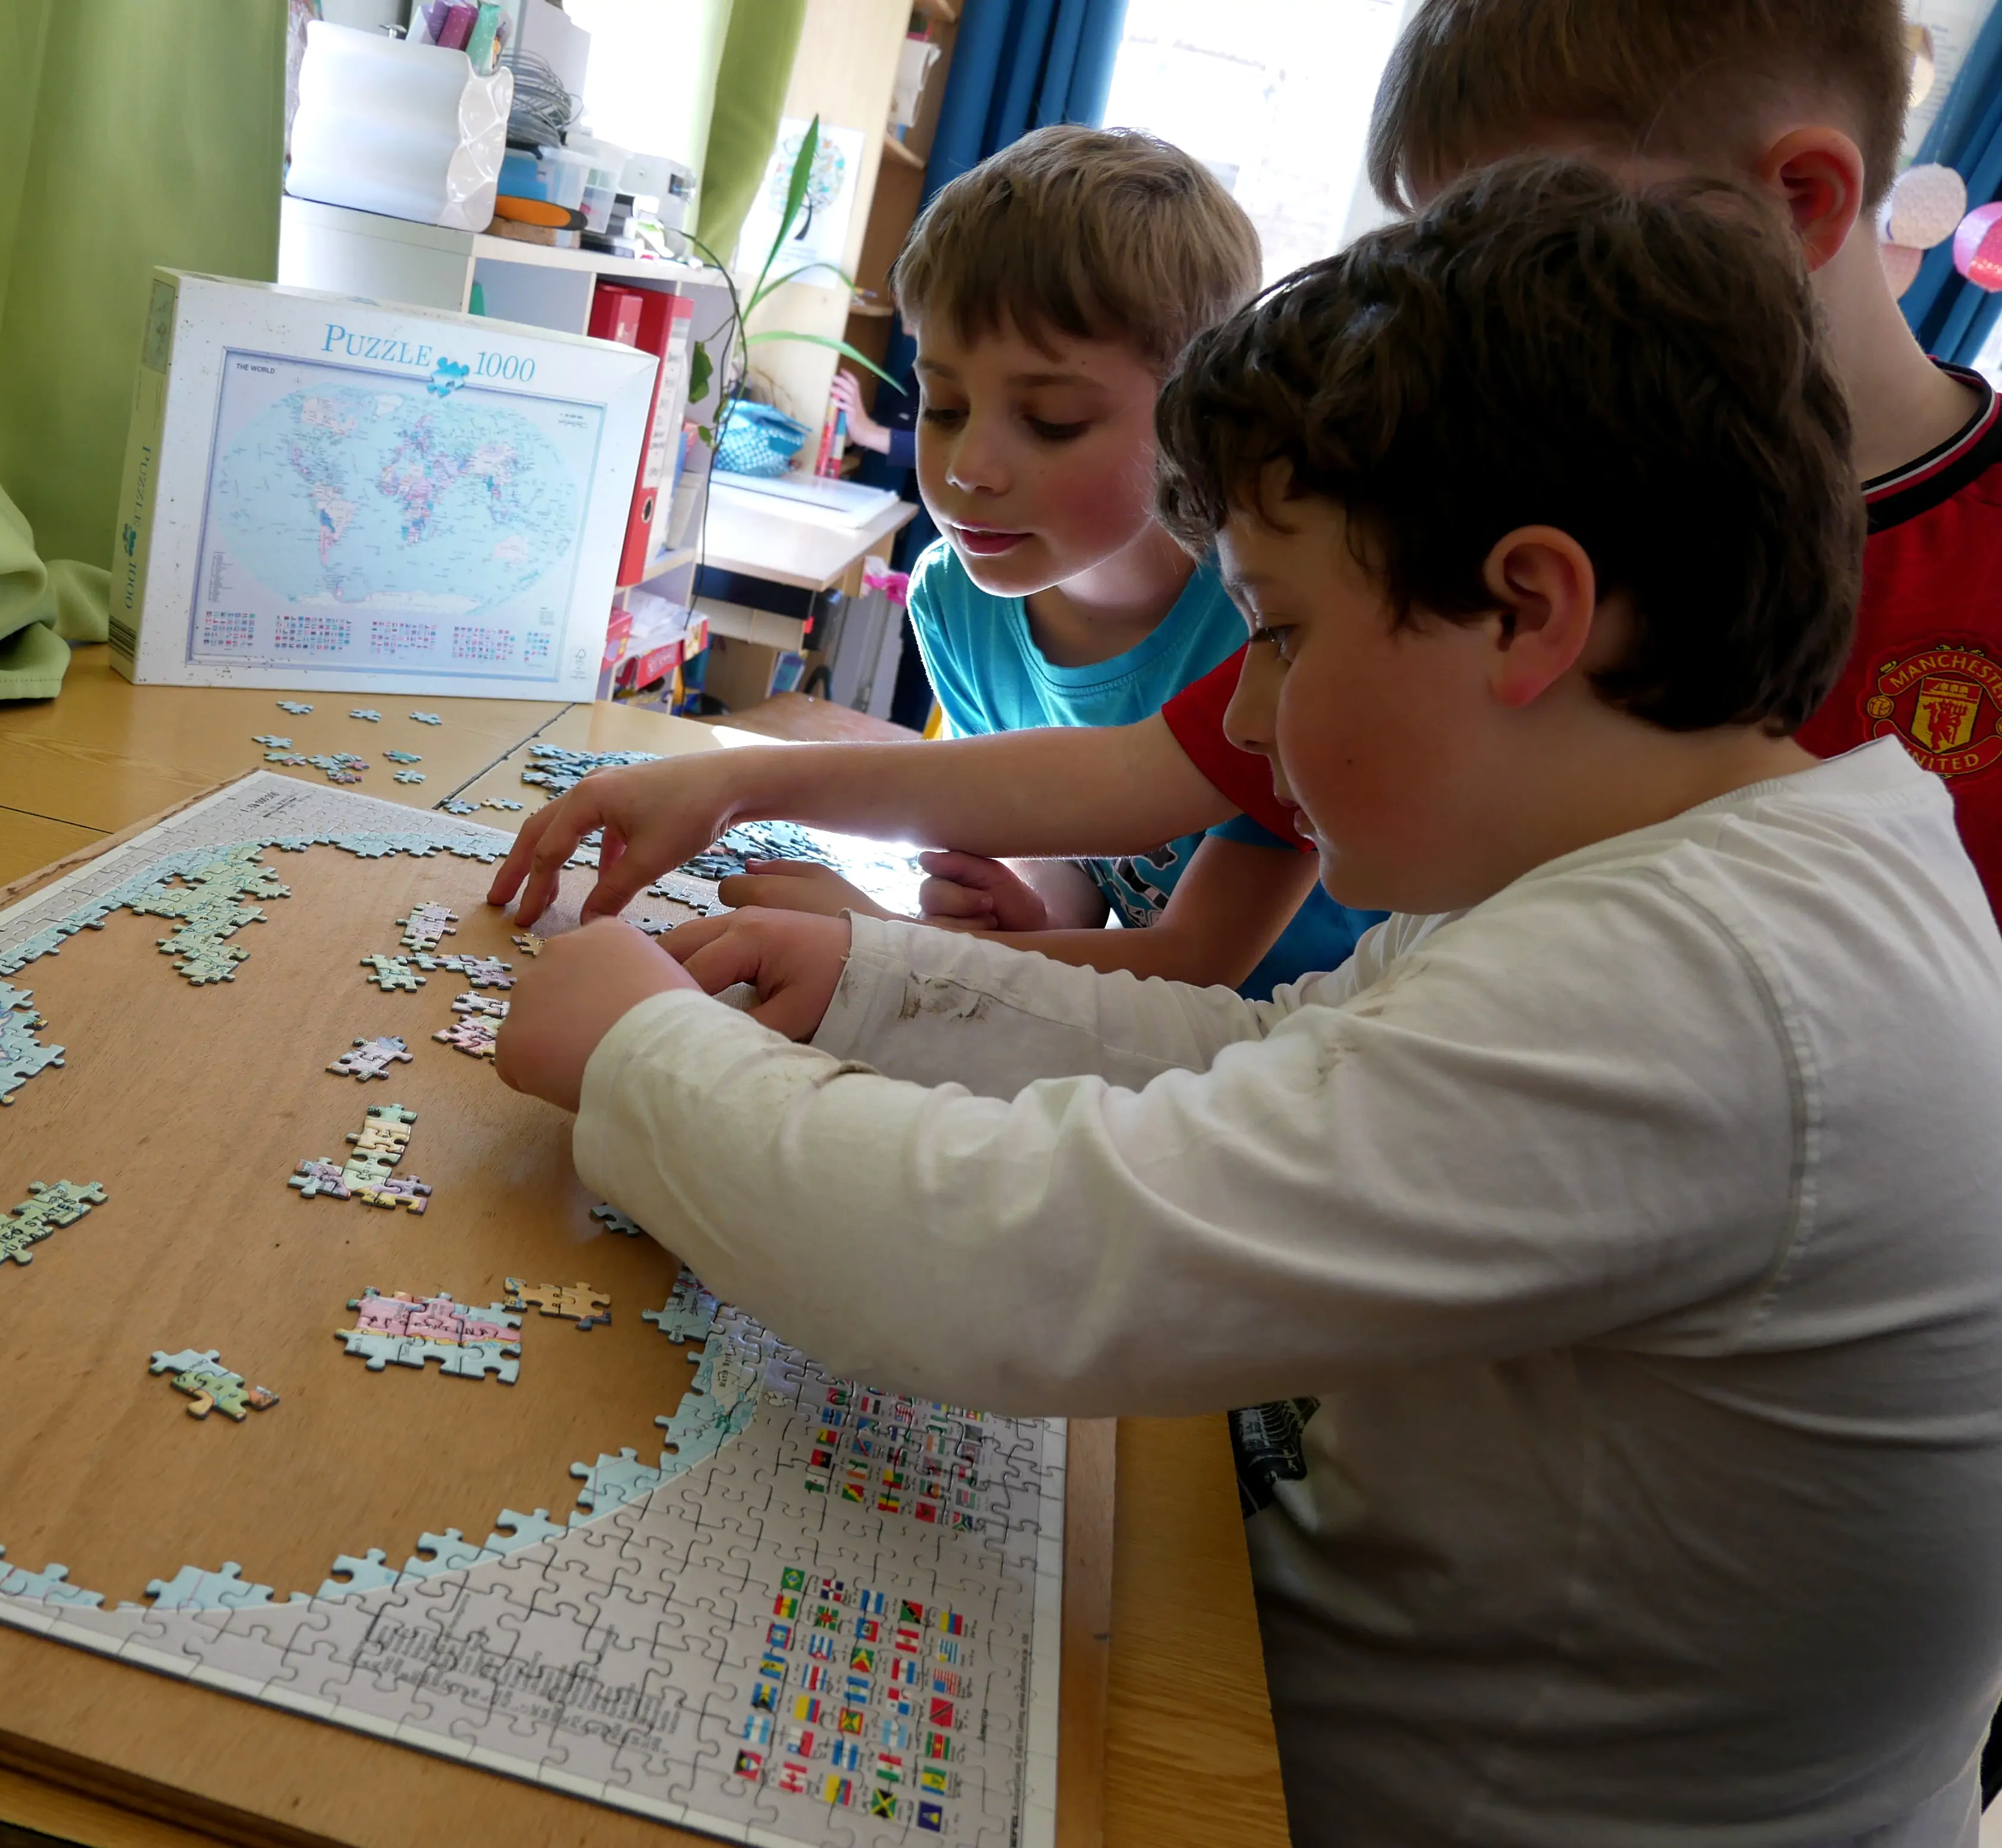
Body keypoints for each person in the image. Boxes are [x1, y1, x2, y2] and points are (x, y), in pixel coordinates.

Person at [493, 159, 2002, 1843]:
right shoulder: (1726, 851)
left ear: (1525, 611)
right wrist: (871, 981)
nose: (1252, 714)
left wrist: (636, 1059)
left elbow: (1032, 1269)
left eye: (1278, 633)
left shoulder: (1713, 983)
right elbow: (1274, 1050)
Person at [517, 0, 2002, 961]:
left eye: (1508, 231)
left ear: (1798, 202)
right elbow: (1156, 774)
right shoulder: (1492, 507)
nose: (1448, 307)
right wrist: (734, 789)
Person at [722, 123, 1377, 993]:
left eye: (1052, 422)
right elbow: (1079, 869)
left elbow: (1197, 968)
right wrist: (1033, 914)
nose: (967, 470)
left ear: (1196, 415)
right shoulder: (955, 604)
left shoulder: (1270, 630)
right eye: (946, 407)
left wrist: (880, 944)